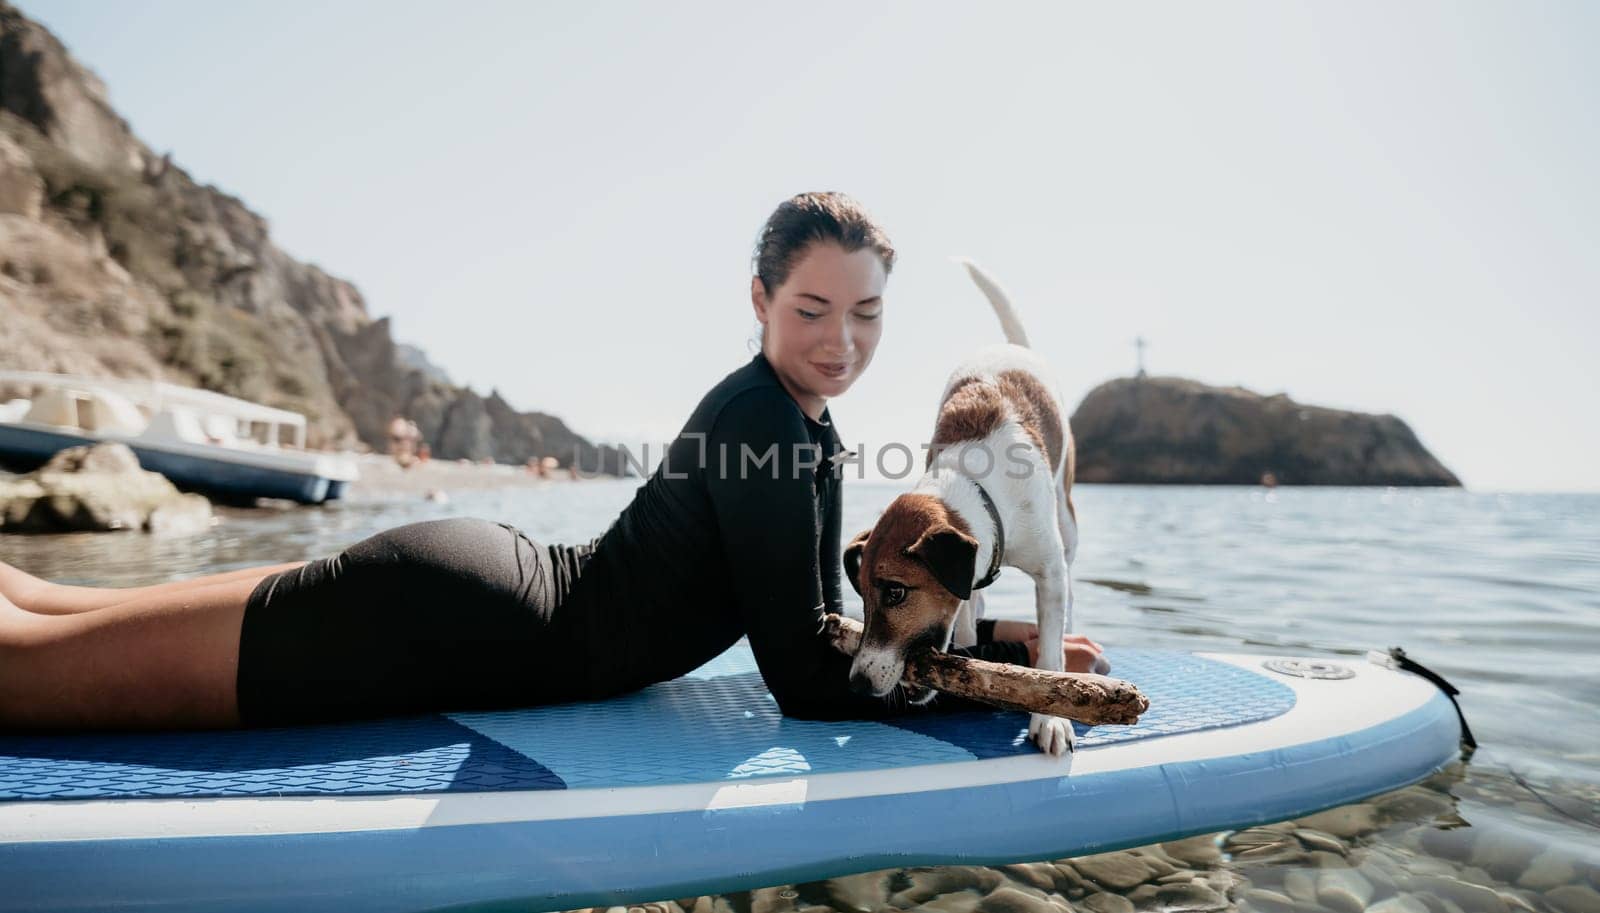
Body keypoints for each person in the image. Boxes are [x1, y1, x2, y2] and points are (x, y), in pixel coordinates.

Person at [0, 192, 1103, 731]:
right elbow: (809, 685)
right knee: (25, 680)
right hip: (452, 620)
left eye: (866, 315)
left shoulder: (795, 420)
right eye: (811, 308)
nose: (841, 340)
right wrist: (1009, 689)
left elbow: (825, 615)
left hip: (470, 590)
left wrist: (990, 626)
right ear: (760, 300)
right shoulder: (766, 423)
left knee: (40, 604)